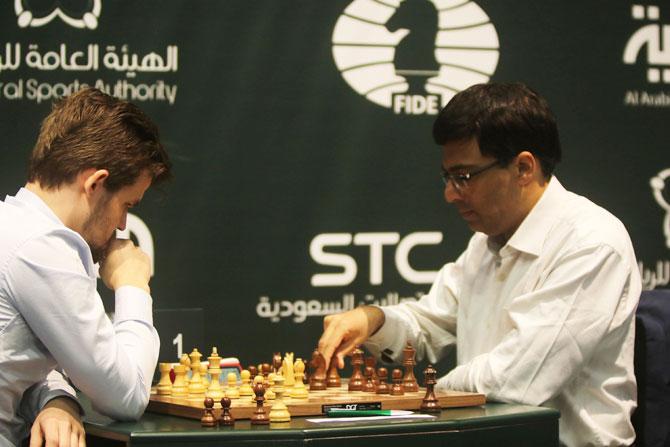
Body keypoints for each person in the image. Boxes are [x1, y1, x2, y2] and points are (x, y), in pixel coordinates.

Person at [318, 82, 641, 446]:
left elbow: (516, 380)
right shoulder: (485, 243)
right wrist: (372, 320)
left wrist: (412, 398)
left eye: (464, 177)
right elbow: (429, 323)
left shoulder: (590, 242)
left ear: (522, 168)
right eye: (448, 177)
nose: (450, 194)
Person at [0, 87, 172, 446]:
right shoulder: (41, 246)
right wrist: (132, 282)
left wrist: (58, 399)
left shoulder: (15, 226)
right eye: (127, 204)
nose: (123, 225)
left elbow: (18, 363)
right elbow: (126, 395)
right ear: (95, 184)